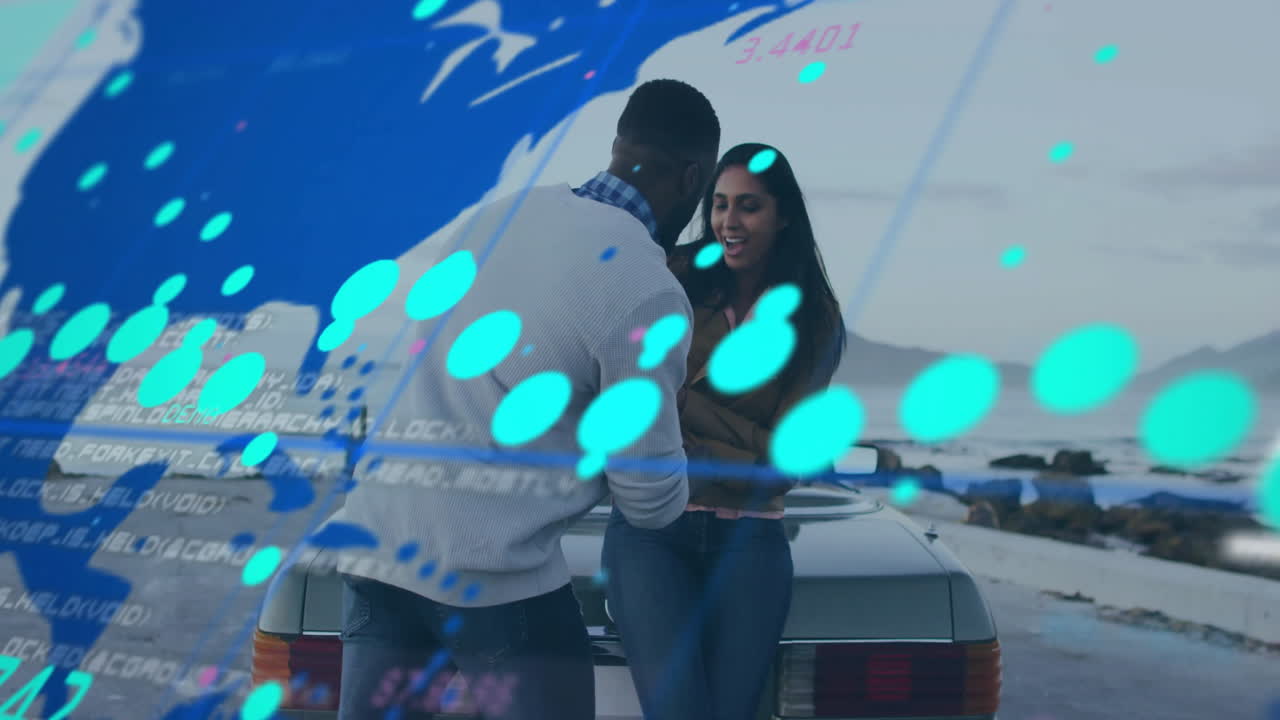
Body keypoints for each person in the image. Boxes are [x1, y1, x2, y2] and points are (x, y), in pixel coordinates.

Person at [327, 79, 721, 720]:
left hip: (379, 545)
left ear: (618, 145)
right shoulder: (646, 290)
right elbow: (648, 499)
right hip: (492, 579)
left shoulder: (499, 213)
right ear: (693, 179)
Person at [602, 143, 847, 720]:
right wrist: (742, 449)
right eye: (719, 205)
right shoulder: (669, 277)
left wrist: (691, 423)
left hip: (752, 543)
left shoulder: (815, 318)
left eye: (749, 207)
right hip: (650, 528)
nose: (728, 222)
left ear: (783, 215)